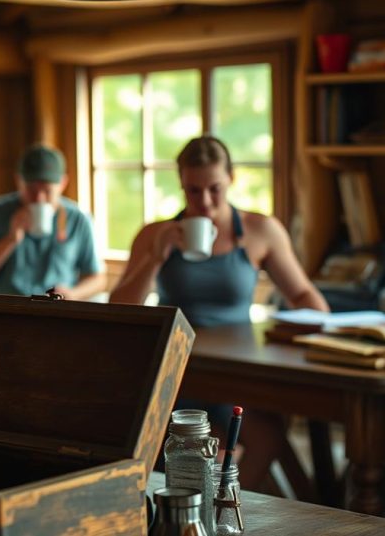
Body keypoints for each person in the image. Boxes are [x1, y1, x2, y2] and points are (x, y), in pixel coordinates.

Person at [109, 135, 329, 490]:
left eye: (215, 189)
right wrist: (155, 258)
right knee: (191, 448)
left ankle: (224, 507)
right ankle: (197, 504)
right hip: (178, 370)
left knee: (267, 437)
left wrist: (318, 318)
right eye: (193, 191)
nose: (205, 202)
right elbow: (119, 311)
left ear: (231, 179)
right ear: (181, 185)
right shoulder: (155, 234)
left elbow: (302, 293)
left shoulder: (260, 230)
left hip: (237, 370)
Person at [0, 144, 105, 299]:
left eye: (47, 191)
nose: (39, 199)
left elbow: (98, 279)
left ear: (63, 183)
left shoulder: (78, 219)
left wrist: (72, 294)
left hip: (55, 310)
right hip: (6, 309)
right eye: (31, 190)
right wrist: (10, 240)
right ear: (18, 181)